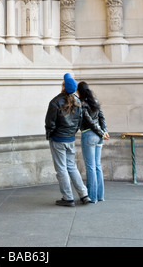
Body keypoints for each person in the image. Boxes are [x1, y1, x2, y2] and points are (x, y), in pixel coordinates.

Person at [45, 73, 91, 207]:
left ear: (63, 86)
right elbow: (79, 121)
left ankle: (68, 197)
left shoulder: (55, 102)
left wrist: (50, 134)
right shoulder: (77, 101)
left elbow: (50, 122)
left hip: (58, 139)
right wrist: (71, 133)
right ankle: (84, 195)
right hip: (70, 139)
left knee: (61, 169)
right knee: (71, 166)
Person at [78, 81, 110, 203]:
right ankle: (100, 195)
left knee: (91, 167)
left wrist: (101, 132)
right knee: (97, 166)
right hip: (99, 136)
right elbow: (101, 117)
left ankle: (92, 196)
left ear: (79, 91)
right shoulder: (94, 101)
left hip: (89, 135)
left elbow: (90, 122)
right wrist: (104, 131)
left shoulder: (82, 104)